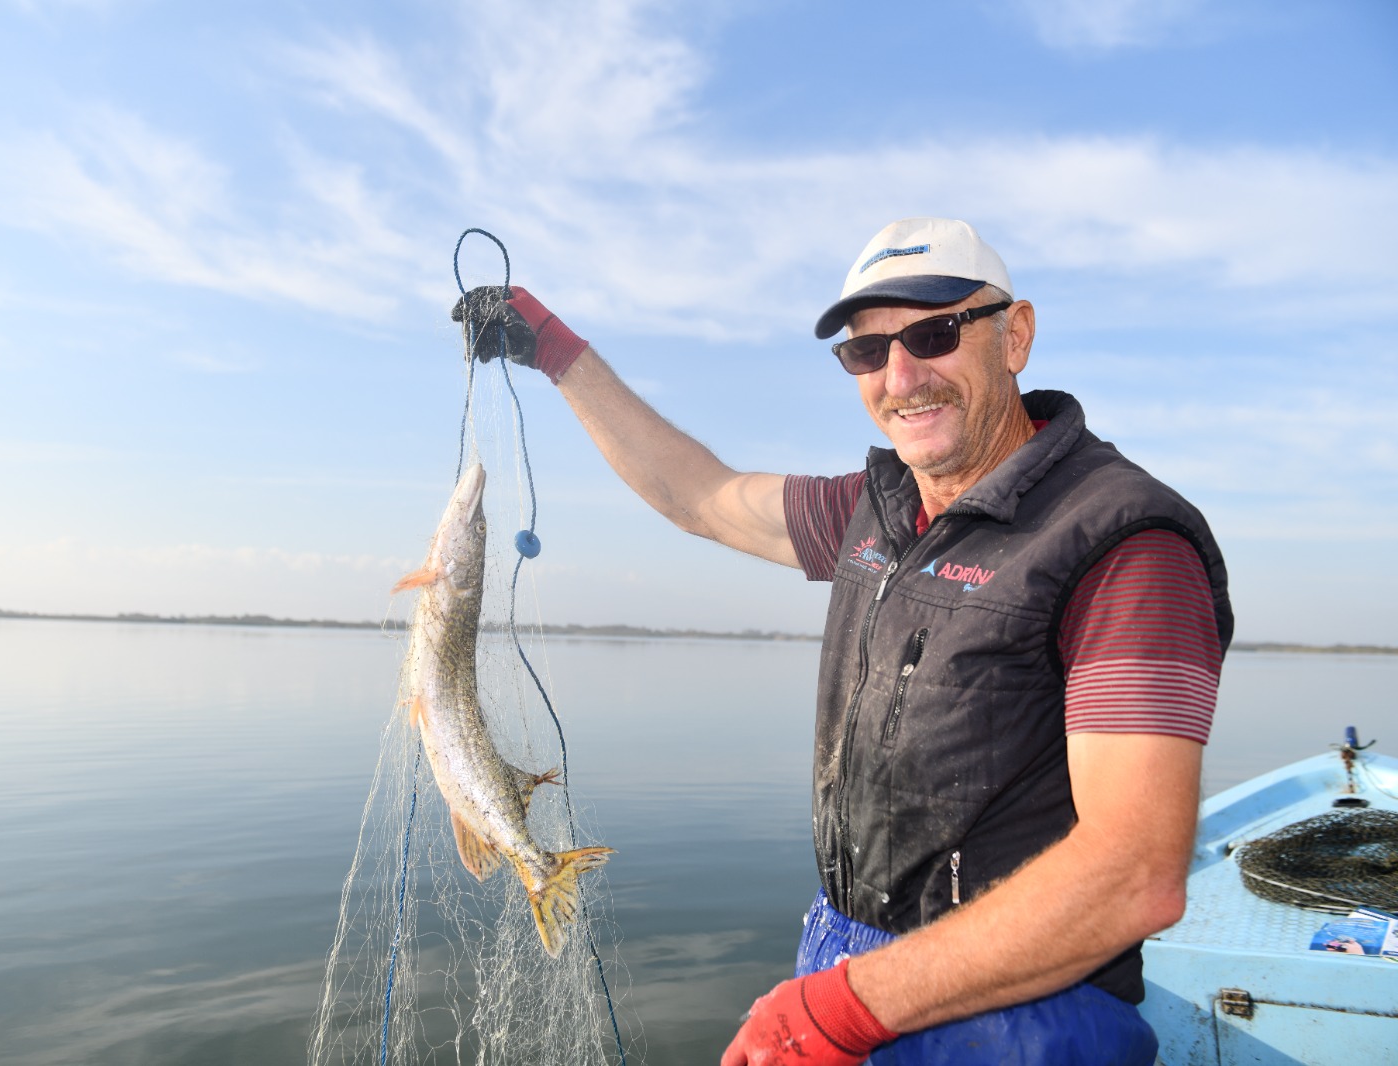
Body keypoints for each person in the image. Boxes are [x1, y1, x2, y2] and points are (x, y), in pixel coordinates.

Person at [453, 217, 1231, 1065]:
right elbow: (700, 495)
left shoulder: (1123, 544)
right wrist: (557, 353)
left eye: (934, 335)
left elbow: (1134, 871)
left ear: (1017, 336)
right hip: (849, 970)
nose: (901, 376)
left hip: (1026, 1019)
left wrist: (846, 1008)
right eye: (867, 352)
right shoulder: (876, 512)